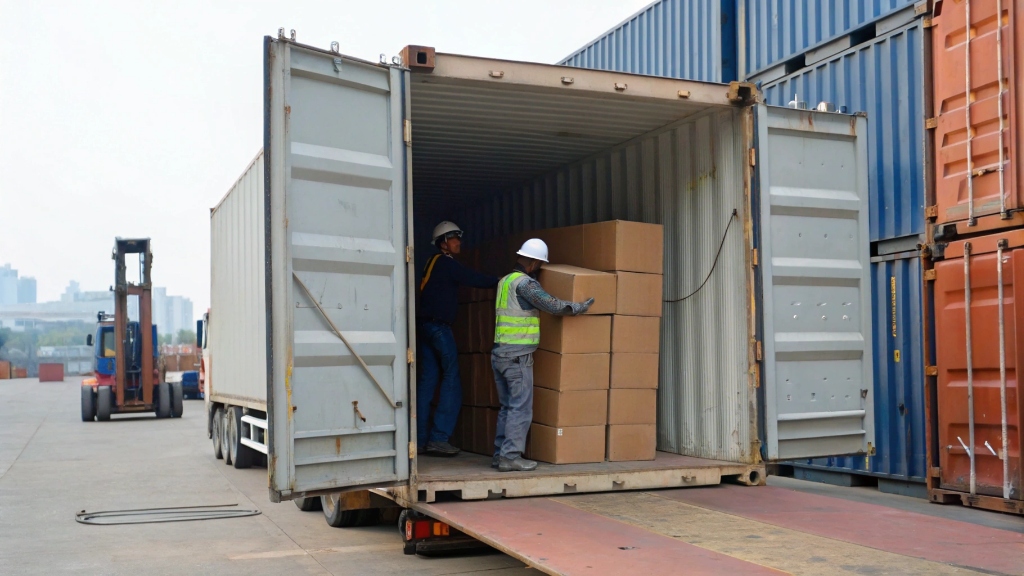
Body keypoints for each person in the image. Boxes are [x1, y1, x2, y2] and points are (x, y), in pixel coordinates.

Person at [491, 238, 594, 472]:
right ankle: (510, 456)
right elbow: (553, 305)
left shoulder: (505, 281)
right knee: (521, 407)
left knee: (507, 406)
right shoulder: (526, 284)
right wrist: (579, 307)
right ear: (535, 262)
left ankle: (500, 455)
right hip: (517, 356)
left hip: (499, 352)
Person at [417, 221, 499, 457]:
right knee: (452, 377)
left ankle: (421, 440)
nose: (458, 242)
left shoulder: (431, 263)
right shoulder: (445, 262)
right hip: (439, 328)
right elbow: (471, 277)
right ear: (443, 243)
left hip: (425, 326)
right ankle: (439, 438)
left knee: (427, 382)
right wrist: (501, 280)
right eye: (454, 238)